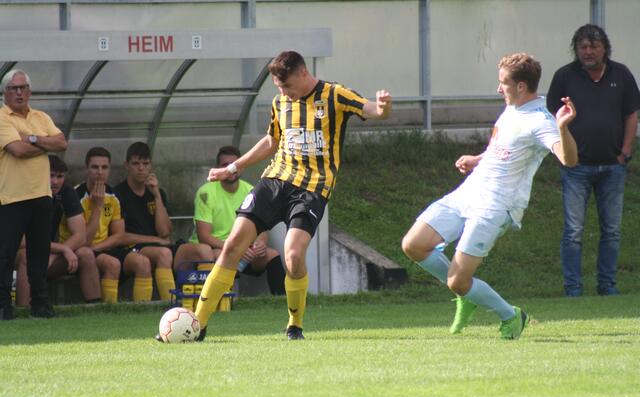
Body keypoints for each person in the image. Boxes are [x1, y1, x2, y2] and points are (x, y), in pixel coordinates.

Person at [157, 50, 391, 342]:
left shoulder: (334, 94)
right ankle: (198, 325)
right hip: (275, 181)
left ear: (303, 74)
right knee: (232, 246)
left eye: (286, 86)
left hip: (312, 188)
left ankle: (295, 324)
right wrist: (232, 167)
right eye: (278, 88)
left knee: (293, 256)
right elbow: (271, 140)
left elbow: (369, 109)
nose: (283, 93)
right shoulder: (280, 103)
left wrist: (381, 108)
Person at [402, 53, 578, 339]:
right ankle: (467, 292)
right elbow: (504, 149)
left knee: (458, 280)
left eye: (503, 83)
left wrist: (562, 127)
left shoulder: (540, 121)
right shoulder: (512, 108)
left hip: (496, 206)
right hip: (470, 192)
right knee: (413, 244)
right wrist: (477, 159)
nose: (498, 89)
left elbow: (569, 160)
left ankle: (511, 316)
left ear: (521, 86)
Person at [547, 24, 640, 297]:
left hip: (613, 166)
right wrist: (562, 151)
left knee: (611, 231)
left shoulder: (621, 74)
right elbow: (552, 117)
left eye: (593, 46)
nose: (587, 52)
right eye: (582, 47)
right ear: (576, 50)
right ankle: (573, 289)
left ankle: (607, 287)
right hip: (575, 167)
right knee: (573, 231)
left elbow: (631, 113)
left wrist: (625, 151)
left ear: (604, 49)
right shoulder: (565, 76)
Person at [0, 69, 68, 320]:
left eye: (23, 87)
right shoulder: (2, 118)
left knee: (39, 254)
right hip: (11, 198)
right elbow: (17, 150)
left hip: (41, 196)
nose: (19, 92)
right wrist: (43, 144)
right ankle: (3, 306)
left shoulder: (41, 117)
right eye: (13, 88)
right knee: (5, 254)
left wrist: (31, 137)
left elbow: (61, 143)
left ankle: (40, 305)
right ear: (5, 93)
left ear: (29, 91)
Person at [115, 141, 210, 301]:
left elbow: (165, 231)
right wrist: (157, 240)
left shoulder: (157, 193)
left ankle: (207, 301)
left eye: (145, 164)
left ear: (150, 165)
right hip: (132, 250)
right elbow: (121, 236)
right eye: (136, 163)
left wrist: (157, 195)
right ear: (127, 165)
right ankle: (170, 304)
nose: (141, 168)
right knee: (164, 253)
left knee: (203, 250)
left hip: (161, 246)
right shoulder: (118, 194)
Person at [188, 145, 286, 296]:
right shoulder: (206, 192)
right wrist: (236, 248)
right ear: (218, 168)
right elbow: (204, 236)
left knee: (271, 254)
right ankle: (222, 300)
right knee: (216, 255)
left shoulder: (251, 191)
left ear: (241, 167)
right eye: (224, 165)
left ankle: (282, 302)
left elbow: (262, 229)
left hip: (244, 250)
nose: (230, 169)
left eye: (233, 165)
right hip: (216, 248)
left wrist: (260, 243)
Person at [15, 155, 101, 306]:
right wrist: (61, 249)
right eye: (51, 176)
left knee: (86, 253)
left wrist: (55, 254)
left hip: (47, 255)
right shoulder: (25, 192)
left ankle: (95, 309)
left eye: (60, 176)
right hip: (16, 255)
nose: (55, 182)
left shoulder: (66, 191)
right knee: (27, 256)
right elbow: (21, 241)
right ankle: (23, 311)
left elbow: (81, 236)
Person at [74, 146, 153, 303]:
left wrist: (99, 247)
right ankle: (110, 310)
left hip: (101, 248)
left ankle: (145, 311)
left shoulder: (113, 195)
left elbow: (119, 235)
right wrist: (97, 206)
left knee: (142, 262)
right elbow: (84, 241)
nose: (100, 172)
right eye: (95, 167)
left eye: (104, 167)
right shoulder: (75, 195)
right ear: (86, 169)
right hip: (81, 251)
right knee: (112, 263)